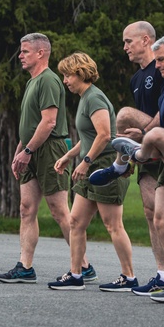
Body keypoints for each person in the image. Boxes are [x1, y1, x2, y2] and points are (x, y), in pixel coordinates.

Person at [92, 34, 164, 302]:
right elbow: (163, 120)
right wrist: (148, 133)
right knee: (160, 220)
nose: (157, 66)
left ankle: (133, 157)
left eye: (161, 60)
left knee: (155, 135)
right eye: (156, 61)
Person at [0, 33, 85, 284]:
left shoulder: (49, 80)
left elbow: (49, 122)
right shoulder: (31, 82)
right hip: (31, 150)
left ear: (40, 53)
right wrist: (19, 153)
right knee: (26, 209)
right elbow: (31, 124)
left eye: (25, 51)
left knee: (59, 211)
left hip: (49, 149)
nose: (20, 56)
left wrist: (28, 151)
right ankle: (25, 267)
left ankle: (83, 266)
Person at [48, 52, 134, 290]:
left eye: (67, 75)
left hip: (106, 166)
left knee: (112, 225)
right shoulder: (85, 98)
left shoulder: (94, 98)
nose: (65, 80)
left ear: (80, 73)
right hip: (91, 164)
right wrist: (68, 156)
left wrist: (85, 162)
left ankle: (129, 277)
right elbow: (89, 137)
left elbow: (105, 135)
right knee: (75, 222)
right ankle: (76, 275)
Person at [105, 21, 164, 290]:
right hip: (147, 149)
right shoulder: (136, 78)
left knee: (122, 114)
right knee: (150, 211)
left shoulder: (162, 68)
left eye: (128, 41)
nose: (124, 47)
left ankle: (121, 163)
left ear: (146, 40)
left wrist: (144, 131)